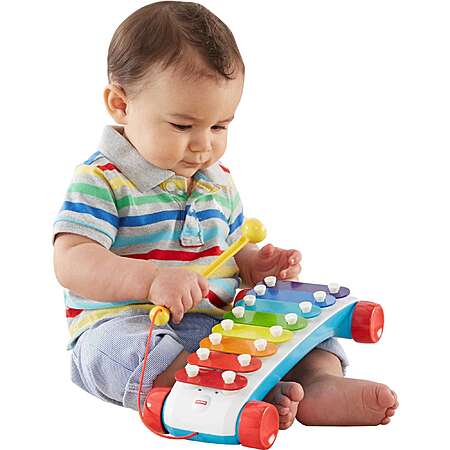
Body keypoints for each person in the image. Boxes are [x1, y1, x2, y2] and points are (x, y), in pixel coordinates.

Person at [53, 1, 398, 430]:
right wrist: (152, 280)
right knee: (114, 352)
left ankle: (317, 383)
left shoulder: (218, 181)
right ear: (120, 104)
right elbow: (71, 260)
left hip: (218, 327)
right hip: (133, 324)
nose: (203, 145)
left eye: (219, 126)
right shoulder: (102, 179)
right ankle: (218, 398)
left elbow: (229, 253)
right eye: (182, 126)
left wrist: (255, 265)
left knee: (297, 326)